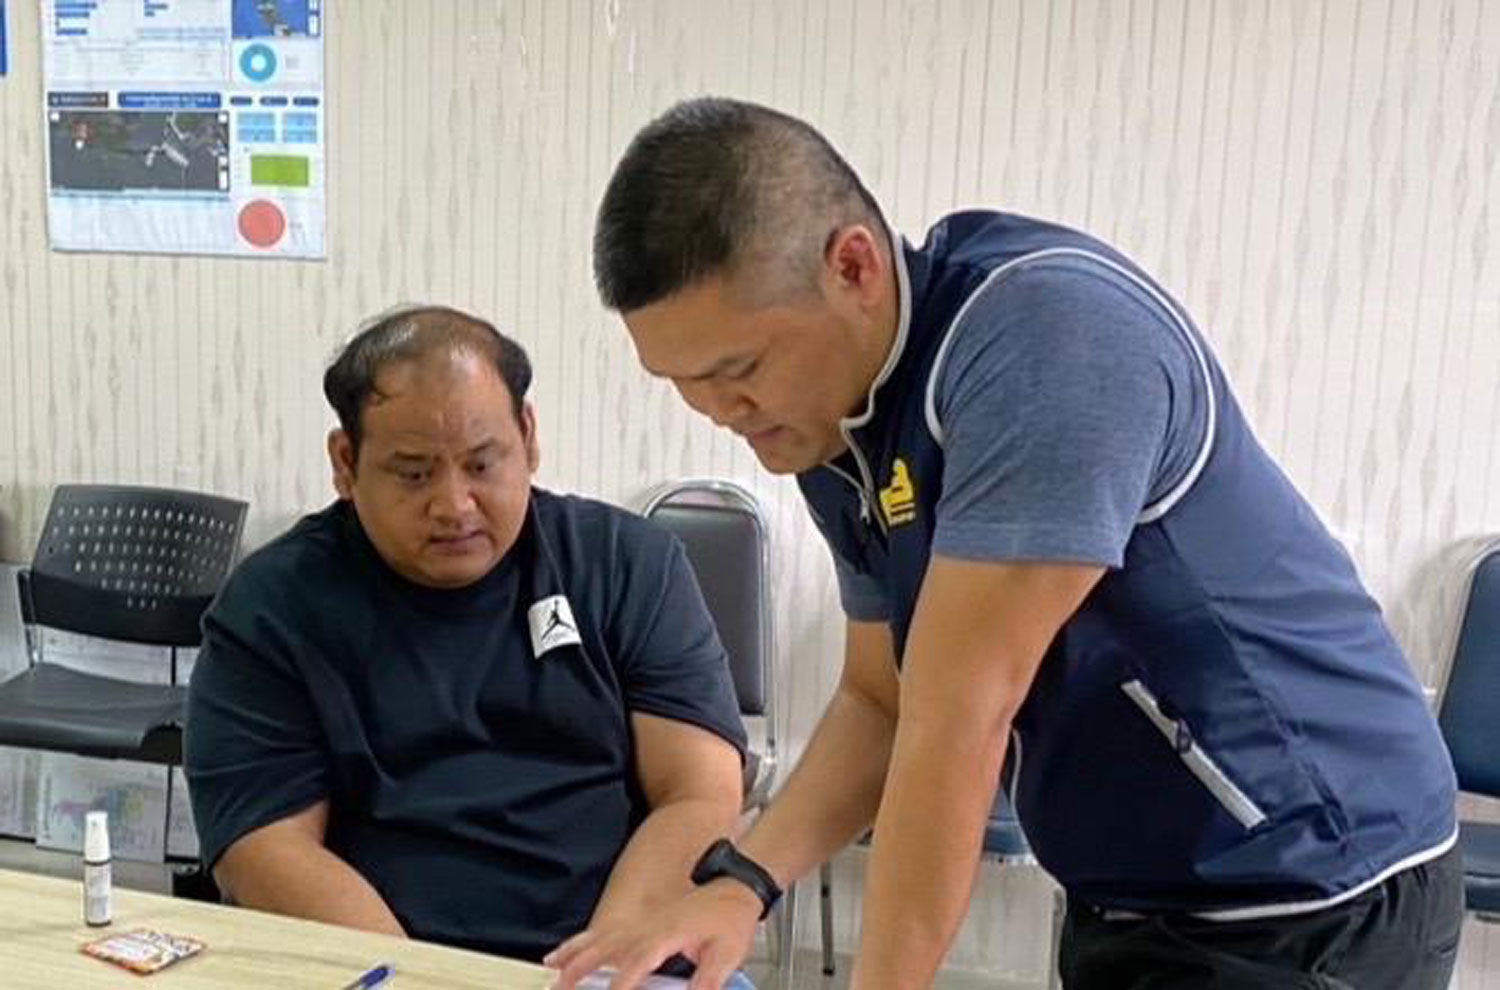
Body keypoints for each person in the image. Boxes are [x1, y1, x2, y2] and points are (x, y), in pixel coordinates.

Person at [546, 98, 1462, 990]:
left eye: (737, 370)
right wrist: (742, 884)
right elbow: (881, 700)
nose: (719, 413)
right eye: (681, 384)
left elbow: (958, 725)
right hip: (1132, 887)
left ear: (853, 266)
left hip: (1315, 889)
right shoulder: (834, 422)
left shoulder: (1047, 343)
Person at [184, 304, 747, 963]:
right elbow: (265, 845)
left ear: (528, 437)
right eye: (414, 473)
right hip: (378, 965)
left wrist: (600, 967)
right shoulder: (272, 606)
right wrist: (423, 981)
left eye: (482, 465)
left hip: (613, 955)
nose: (454, 505)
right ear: (345, 461)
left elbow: (699, 790)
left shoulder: (629, 565)